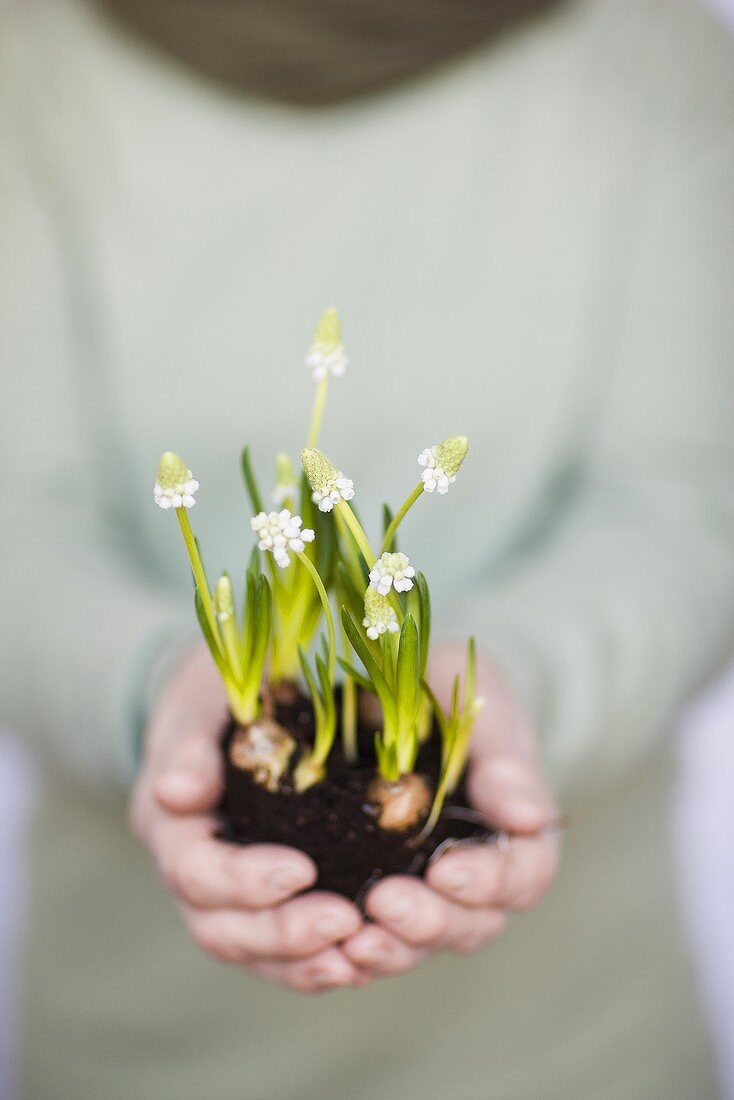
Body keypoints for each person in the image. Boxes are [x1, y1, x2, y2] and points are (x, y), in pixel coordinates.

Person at [1, 0, 733, 1096]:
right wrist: (164, 687)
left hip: (570, 1048)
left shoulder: (651, 49)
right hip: (138, 1046)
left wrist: (502, 688)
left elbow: (687, 508)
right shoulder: (31, 54)